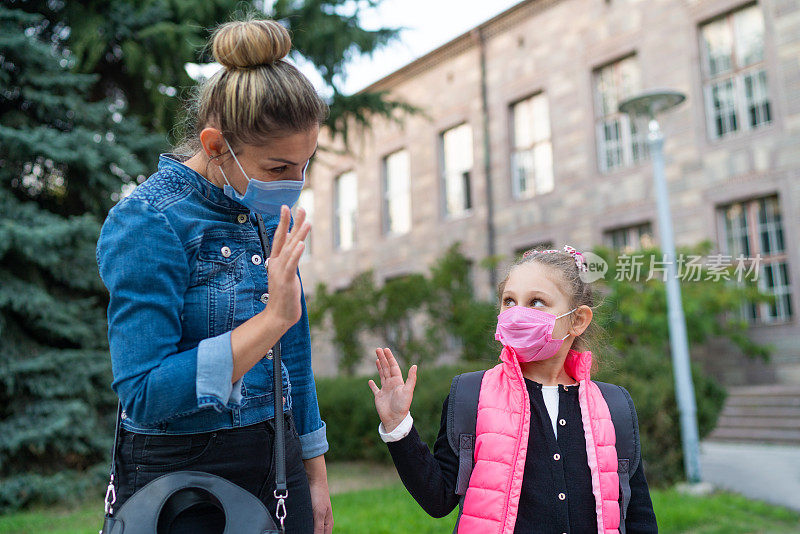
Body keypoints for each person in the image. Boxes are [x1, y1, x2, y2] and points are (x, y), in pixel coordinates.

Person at [96, 16, 333, 534]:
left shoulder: (266, 214)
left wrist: (313, 472)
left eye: (305, 164)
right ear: (216, 144)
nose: (295, 184)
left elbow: (293, 353)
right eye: (278, 169)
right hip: (184, 472)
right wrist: (270, 321)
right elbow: (143, 391)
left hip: (279, 455)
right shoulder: (148, 222)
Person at [368, 246, 658, 533]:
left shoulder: (613, 406)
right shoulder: (472, 395)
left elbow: (638, 516)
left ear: (578, 320)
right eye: (509, 301)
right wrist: (398, 427)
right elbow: (438, 499)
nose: (517, 313)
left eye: (536, 302)